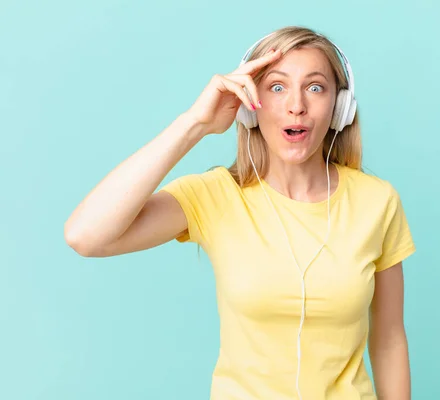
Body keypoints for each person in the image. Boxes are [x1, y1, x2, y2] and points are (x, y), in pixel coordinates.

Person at [64, 25, 416, 400]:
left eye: (315, 87)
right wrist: (194, 124)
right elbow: (85, 236)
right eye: (277, 87)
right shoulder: (215, 195)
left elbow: (389, 339)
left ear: (340, 108)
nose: (296, 104)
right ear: (250, 105)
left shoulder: (377, 201)